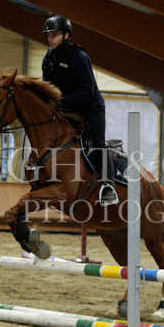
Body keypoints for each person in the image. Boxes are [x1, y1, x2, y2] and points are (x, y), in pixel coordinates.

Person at [41, 15, 118, 206]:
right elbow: (47, 87)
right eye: (48, 35)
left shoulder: (79, 57)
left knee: (97, 143)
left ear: (67, 35)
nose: (50, 39)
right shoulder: (48, 58)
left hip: (91, 107)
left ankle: (108, 187)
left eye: (54, 35)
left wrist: (60, 102)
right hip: (65, 108)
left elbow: (87, 91)